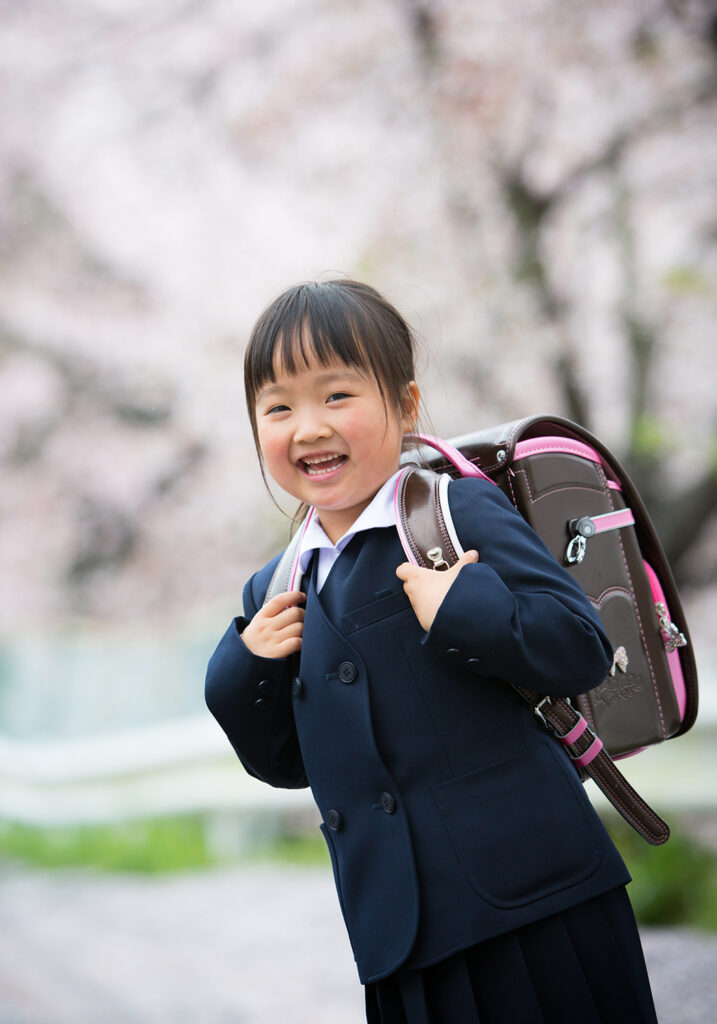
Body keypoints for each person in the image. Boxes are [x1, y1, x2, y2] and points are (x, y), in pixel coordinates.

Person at [205, 279, 658, 1023]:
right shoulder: (278, 586)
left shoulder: (452, 512)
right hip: (400, 938)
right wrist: (243, 670)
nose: (308, 427)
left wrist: (468, 608)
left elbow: (579, 647)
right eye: (278, 407)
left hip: (535, 906)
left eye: (337, 395)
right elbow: (286, 763)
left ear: (405, 406)